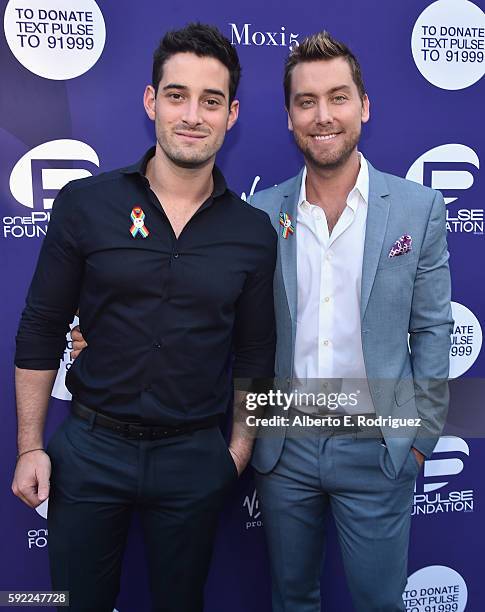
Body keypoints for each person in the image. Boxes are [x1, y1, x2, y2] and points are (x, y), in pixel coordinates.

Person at [12, 23, 276, 612]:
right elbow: (40, 326)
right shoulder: (86, 202)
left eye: (211, 101)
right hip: (90, 448)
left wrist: (236, 450)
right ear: (151, 101)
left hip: (193, 459)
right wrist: (30, 445)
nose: (192, 115)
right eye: (177, 95)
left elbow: (257, 353)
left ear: (231, 115)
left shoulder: (253, 233)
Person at [246, 31, 453, 612]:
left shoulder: (418, 209)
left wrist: (419, 439)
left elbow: (434, 329)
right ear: (289, 116)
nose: (322, 116)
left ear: (363, 106)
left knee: (379, 602)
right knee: (292, 599)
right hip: (283, 443)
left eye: (338, 97)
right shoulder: (259, 216)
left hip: (380, 441)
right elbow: (225, 322)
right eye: (306, 101)